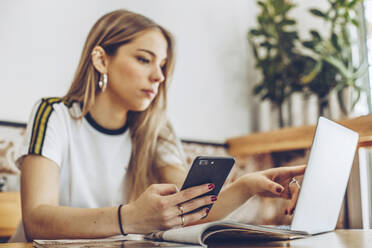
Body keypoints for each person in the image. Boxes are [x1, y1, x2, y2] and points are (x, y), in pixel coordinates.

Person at [9, 9, 305, 242]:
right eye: (143, 60)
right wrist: (130, 218)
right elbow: (36, 220)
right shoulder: (54, 114)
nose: (159, 77)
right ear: (101, 60)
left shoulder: (156, 128)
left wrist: (247, 185)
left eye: (162, 66)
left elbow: (189, 209)